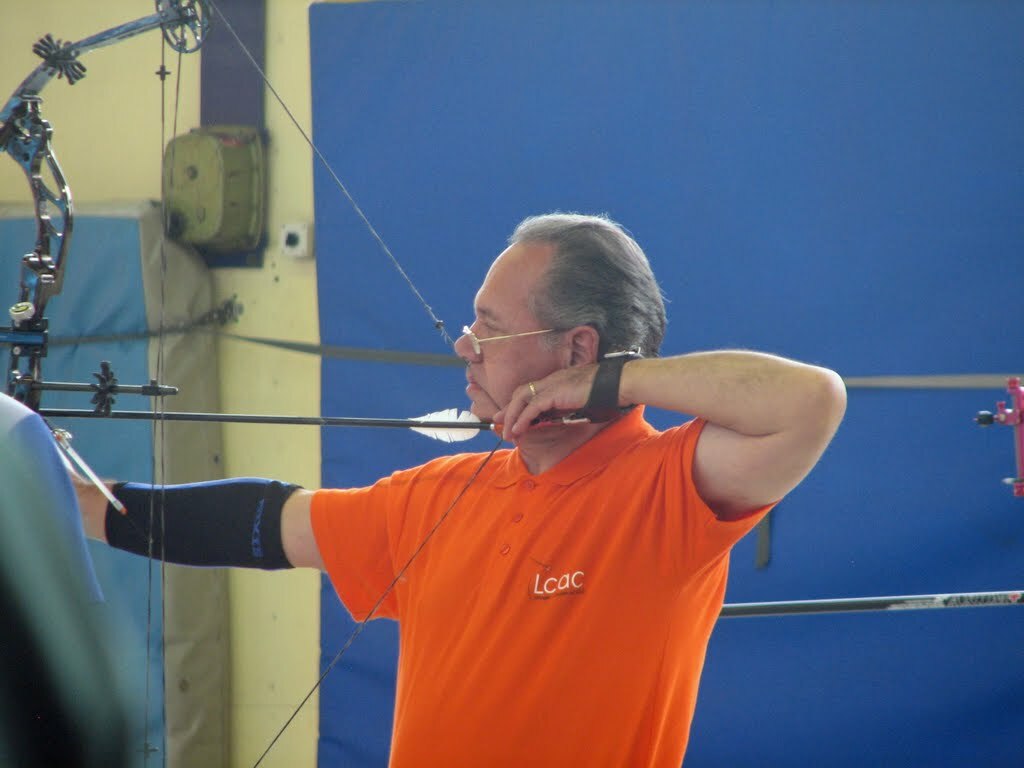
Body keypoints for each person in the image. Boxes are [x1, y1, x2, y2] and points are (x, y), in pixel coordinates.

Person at [75, 212, 847, 767]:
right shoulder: (438, 494)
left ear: (576, 350)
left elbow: (812, 401)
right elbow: (263, 522)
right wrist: (71, 499)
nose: (465, 346)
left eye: (490, 328)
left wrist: (616, 381)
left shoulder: (665, 489)